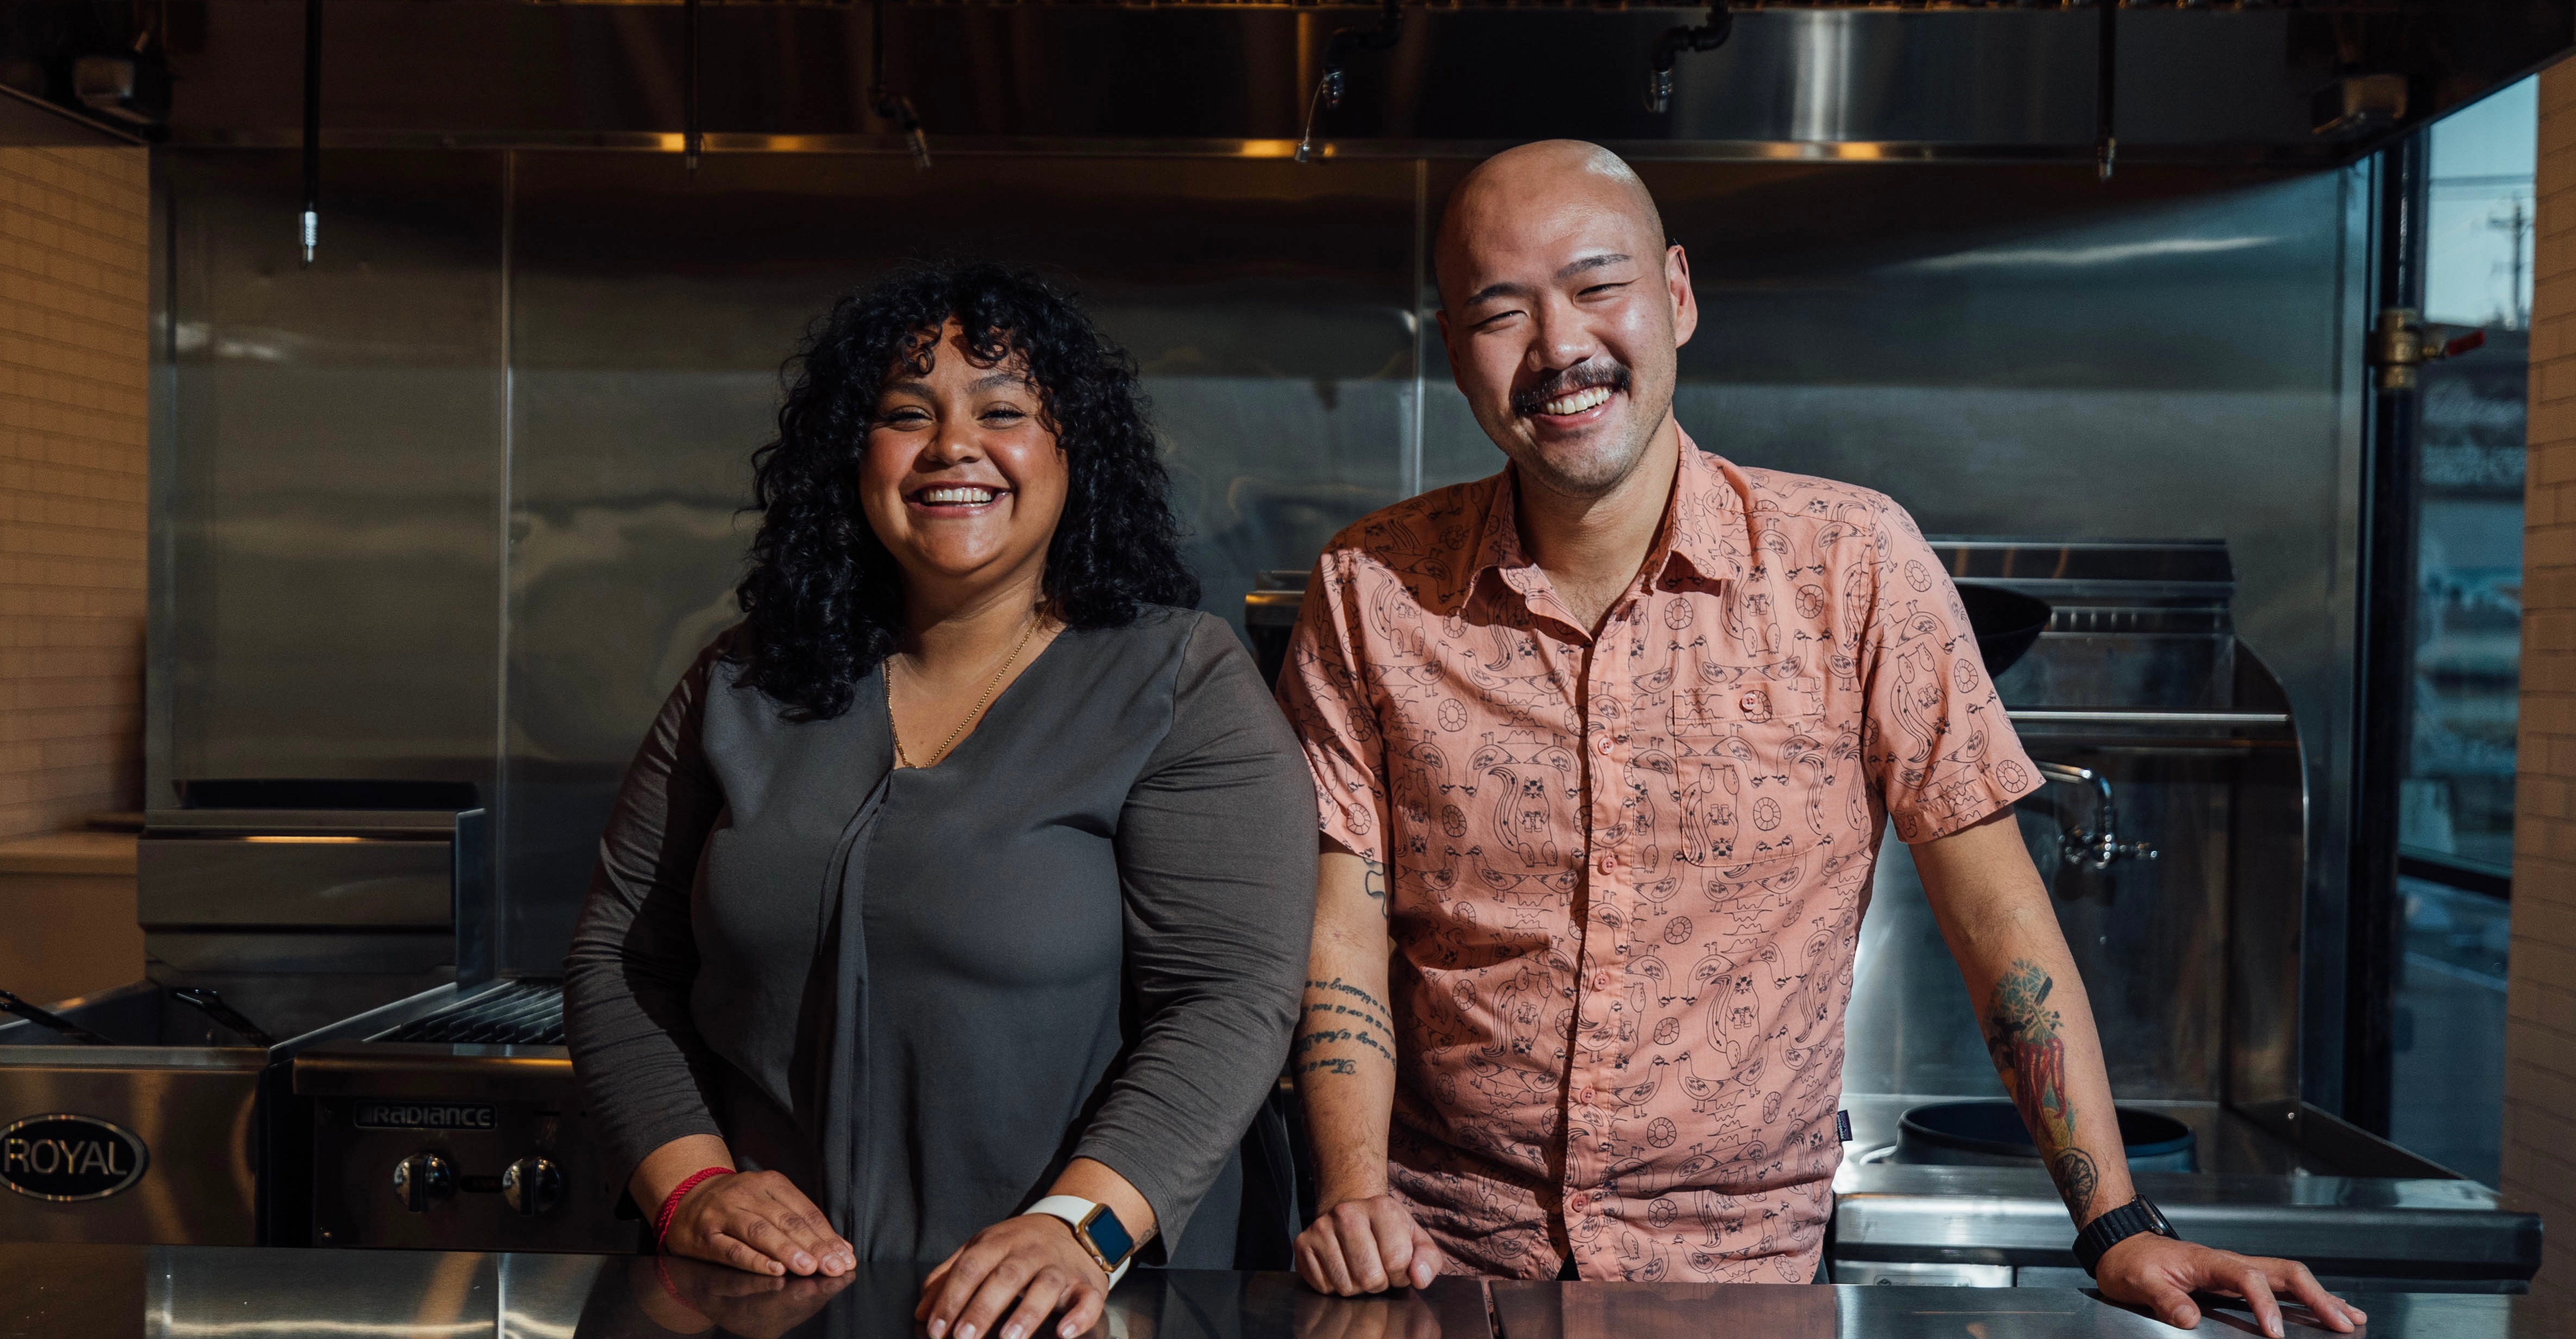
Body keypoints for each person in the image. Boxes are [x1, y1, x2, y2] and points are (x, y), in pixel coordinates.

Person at [1274, 141, 2365, 1338]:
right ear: (1452, 348)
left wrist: (2114, 1224)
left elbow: (1996, 918)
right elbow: (1342, 928)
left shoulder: (1854, 566)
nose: (1558, 347)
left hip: (1743, 1287)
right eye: (1501, 312)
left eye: (1596, 286)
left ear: (1676, 294)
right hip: (1438, 1276)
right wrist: (1354, 1190)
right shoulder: (1370, 590)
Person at [563, 263, 1317, 1339]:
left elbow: (1229, 998)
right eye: (905, 414)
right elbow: (620, 962)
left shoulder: (1175, 683)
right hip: (778, 1307)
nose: (952, 446)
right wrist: (690, 1187)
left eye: (1002, 412)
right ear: (851, 454)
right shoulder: (742, 683)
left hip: (1077, 1306)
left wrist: (1080, 1227)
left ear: (1072, 449)